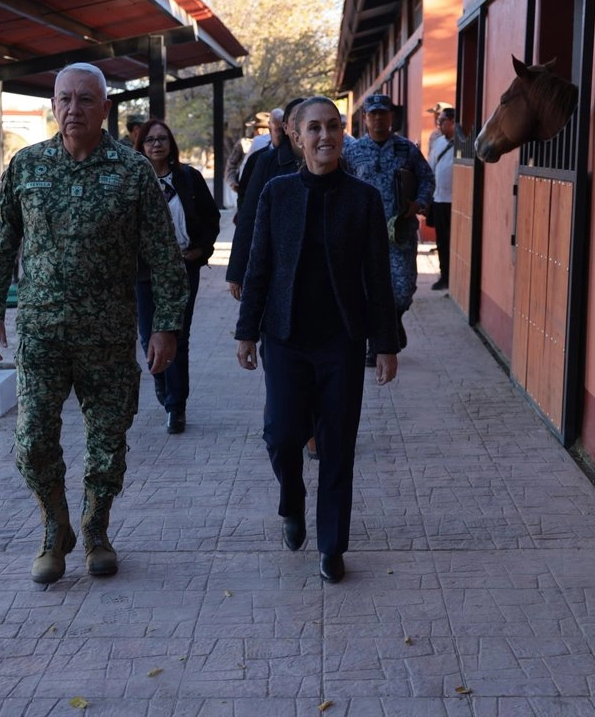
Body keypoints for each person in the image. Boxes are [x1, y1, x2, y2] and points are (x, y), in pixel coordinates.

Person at [0, 63, 188, 585]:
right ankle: (55, 526)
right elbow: (0, 243)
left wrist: (166, 327)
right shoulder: (27, 166)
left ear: (105, 108)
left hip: (108, 336)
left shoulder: (133, 171)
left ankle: (95, 529)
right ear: (53, 105)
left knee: (108, 441)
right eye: (65, 99)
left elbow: (164, 256)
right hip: (42, 334)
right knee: (32, 442)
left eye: (86, 99)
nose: (74, 109)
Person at [234, 95, 399, 584]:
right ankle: (292, 500)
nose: (325, 136)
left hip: (341, 341)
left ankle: (332, 546)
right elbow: (259, 265)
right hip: (285, 337)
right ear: (295, 136)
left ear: (343, 132)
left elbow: (377, 276)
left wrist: (385, 342)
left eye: (333, 126)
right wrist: (246, 331)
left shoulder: (363, 199)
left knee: (337, 443)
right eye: (314, 128)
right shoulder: (277, 193)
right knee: (281, 435)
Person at [133, 118, 221, 434]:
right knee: (148, 335)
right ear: (141, 146)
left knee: (177, 336)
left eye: (162, 139)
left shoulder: (189, 178)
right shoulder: (134, 180)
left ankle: (176, 405)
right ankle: (160, 377)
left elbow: (211, 219)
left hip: (183, 269)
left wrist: (201, 251)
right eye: (150, 140)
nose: (157, 144)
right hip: (145, 272)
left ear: (171, 144)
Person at [342, 93, 434, 362]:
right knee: (368, 290)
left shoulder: (407, 149)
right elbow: (341, 187)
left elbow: (427, 179)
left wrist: (418, 204)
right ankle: (376, 344)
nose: (378, 118)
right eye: (373, 114)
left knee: (403, 290)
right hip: (364, 234)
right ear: (365, 118)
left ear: (391, 116)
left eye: (383, 113)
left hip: (399, 232)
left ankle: (393, 322)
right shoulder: (353, 152)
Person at [226, 97, 305, 299]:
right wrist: (237, 270)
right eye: (296, 119)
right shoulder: (266, 161)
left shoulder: (332, 161)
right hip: (274, 262)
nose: (302, 124)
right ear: (286, 127)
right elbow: (249, 215)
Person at [427, 107, 459, 290]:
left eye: (442, 121)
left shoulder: (463, 143)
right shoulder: (438, 142)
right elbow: (431, 167)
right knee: (441, 241)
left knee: (455, 241)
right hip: (439, 199)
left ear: (452, 121)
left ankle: (455, 277)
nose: (439, 125)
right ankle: (444, 275)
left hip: (456, 201)